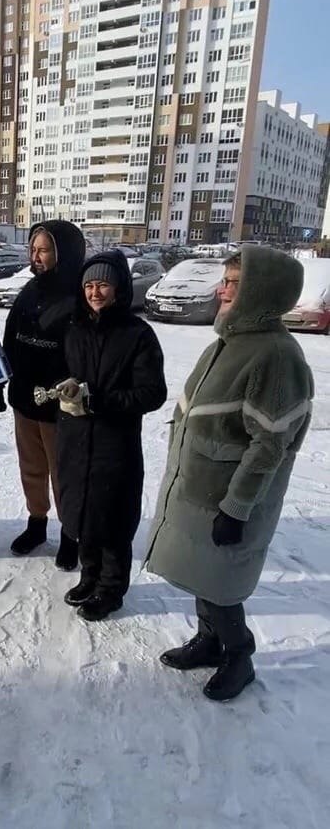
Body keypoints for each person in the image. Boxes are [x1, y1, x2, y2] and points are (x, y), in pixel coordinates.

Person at [146, 247, 314, 701]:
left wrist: (237, 508)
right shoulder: (232, 340)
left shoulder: (276, 356)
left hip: (225, 498)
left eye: (234, 283)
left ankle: (239, 655)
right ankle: (208, 642)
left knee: (220, 584)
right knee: (203, 572)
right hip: (198, 488)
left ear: (261, 291)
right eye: (225, 280)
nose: (222, 288)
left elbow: (270, 445)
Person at [57, 250, 167, 622]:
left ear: (118, 288)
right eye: (89, 285)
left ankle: (111, 588)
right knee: (85, 512)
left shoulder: (137, 334)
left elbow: (153, 393)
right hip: (75, 438)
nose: (95, 292)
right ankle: (89, 576)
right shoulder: (74, 328)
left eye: (103, 284)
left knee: (113, 518)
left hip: (114, 441)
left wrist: (99, 401)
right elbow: (62, 372)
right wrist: (64, 388)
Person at [0, 221, 85, 568]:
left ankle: (70, 534)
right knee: (31, 469)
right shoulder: (30, 291)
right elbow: (10, 338)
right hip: (24, 401)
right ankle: (37, 524)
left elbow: (88, 356)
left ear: (64, 253)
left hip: (61, 407)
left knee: (64, 474)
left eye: (43, 250)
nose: (35, 256)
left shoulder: (80, 297)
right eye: (33, 249)